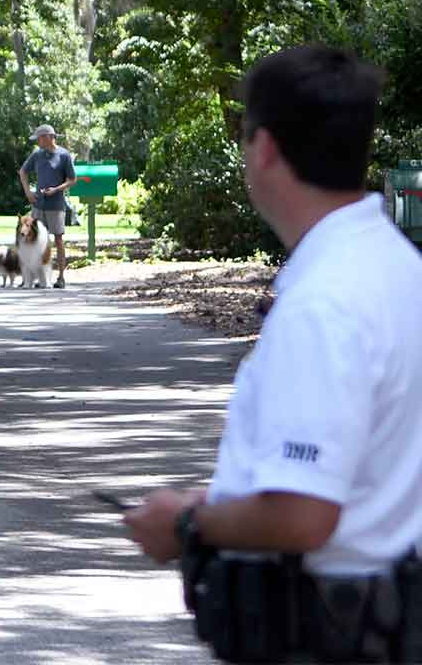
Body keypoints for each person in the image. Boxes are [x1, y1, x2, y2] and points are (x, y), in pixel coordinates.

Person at [124, 46, 422, 663]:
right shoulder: (399, 269)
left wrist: (186, 523)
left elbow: (303, 516)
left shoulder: (323, 302)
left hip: (330, 628)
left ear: (263, 148)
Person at [18, 124, 75, 288]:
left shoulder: (64, 155)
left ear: (48, 137)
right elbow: (23, 172)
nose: (37, 142)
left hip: (56, 205)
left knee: (58, 239)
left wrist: (56, 189)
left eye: (39, 139)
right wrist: (28, 192)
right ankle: (35, 277)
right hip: (38, 204)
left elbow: (72, 179)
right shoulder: (37, 155)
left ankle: (61, 277)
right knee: (34, 240)